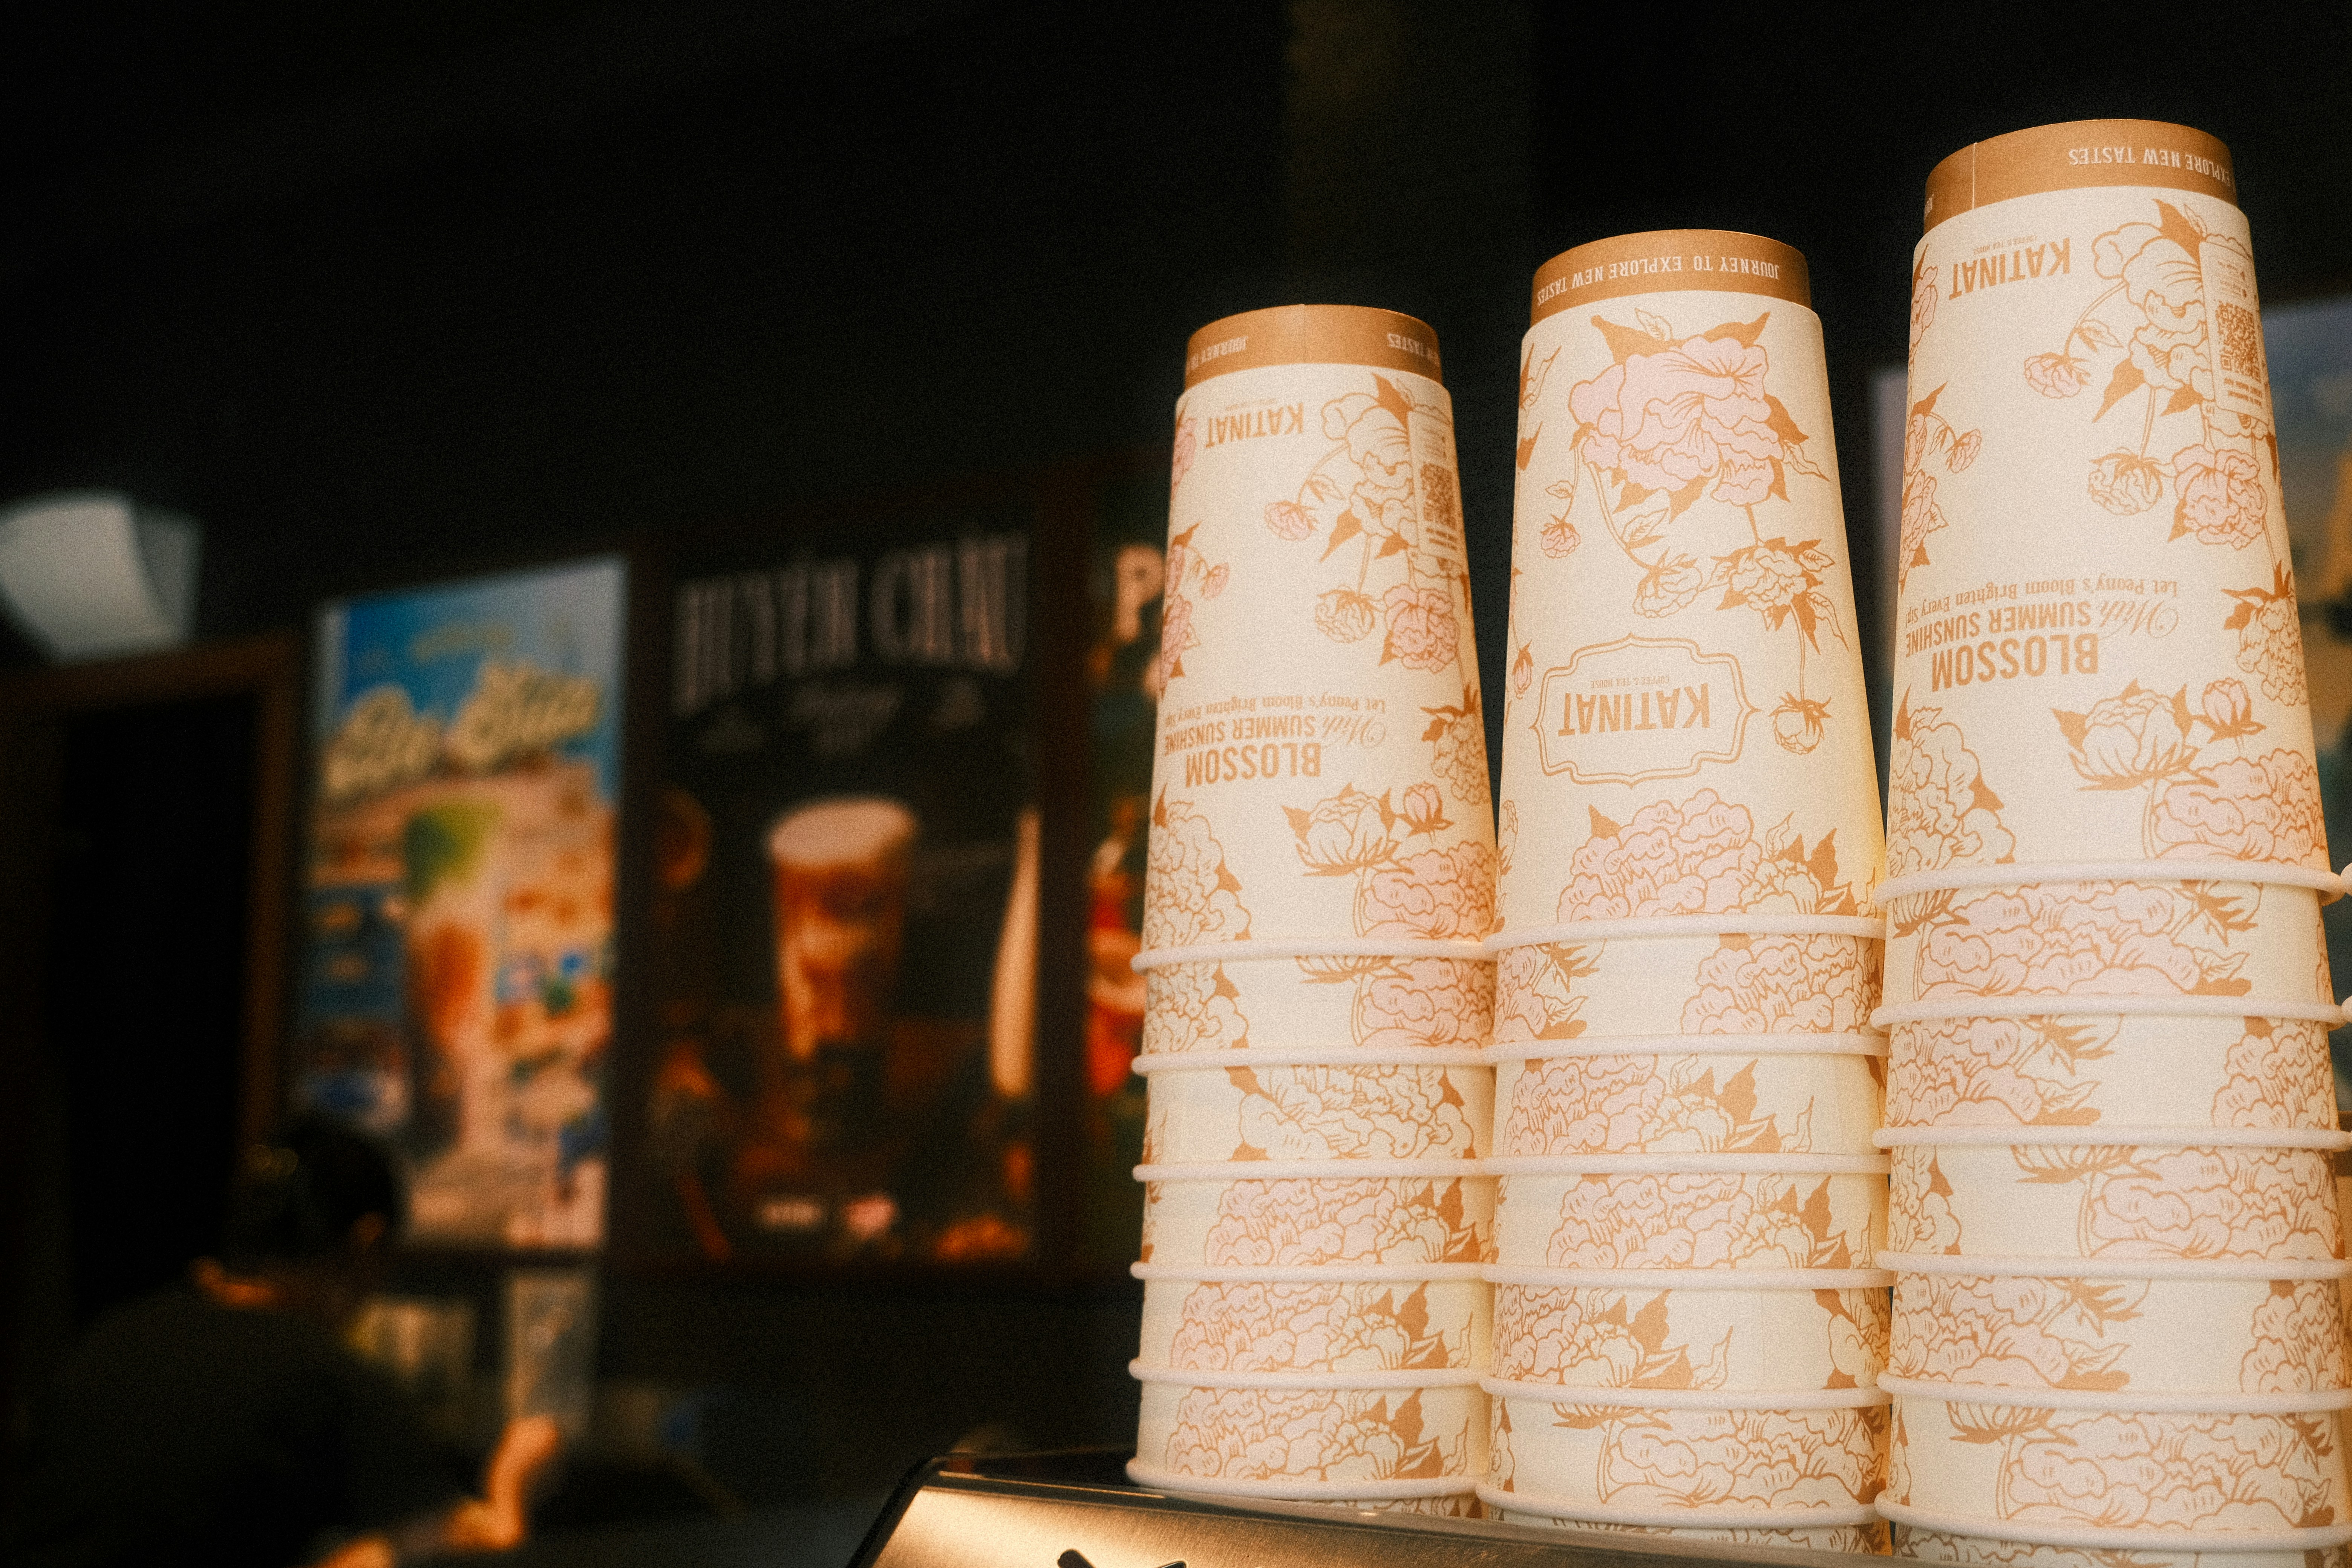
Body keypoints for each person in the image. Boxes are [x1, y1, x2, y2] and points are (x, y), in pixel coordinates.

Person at [9, 1116, 560, 1567]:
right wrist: (516, 1475)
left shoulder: (113, 1339)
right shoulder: (322, 1374)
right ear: (367, 1244)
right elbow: (461, 1548)